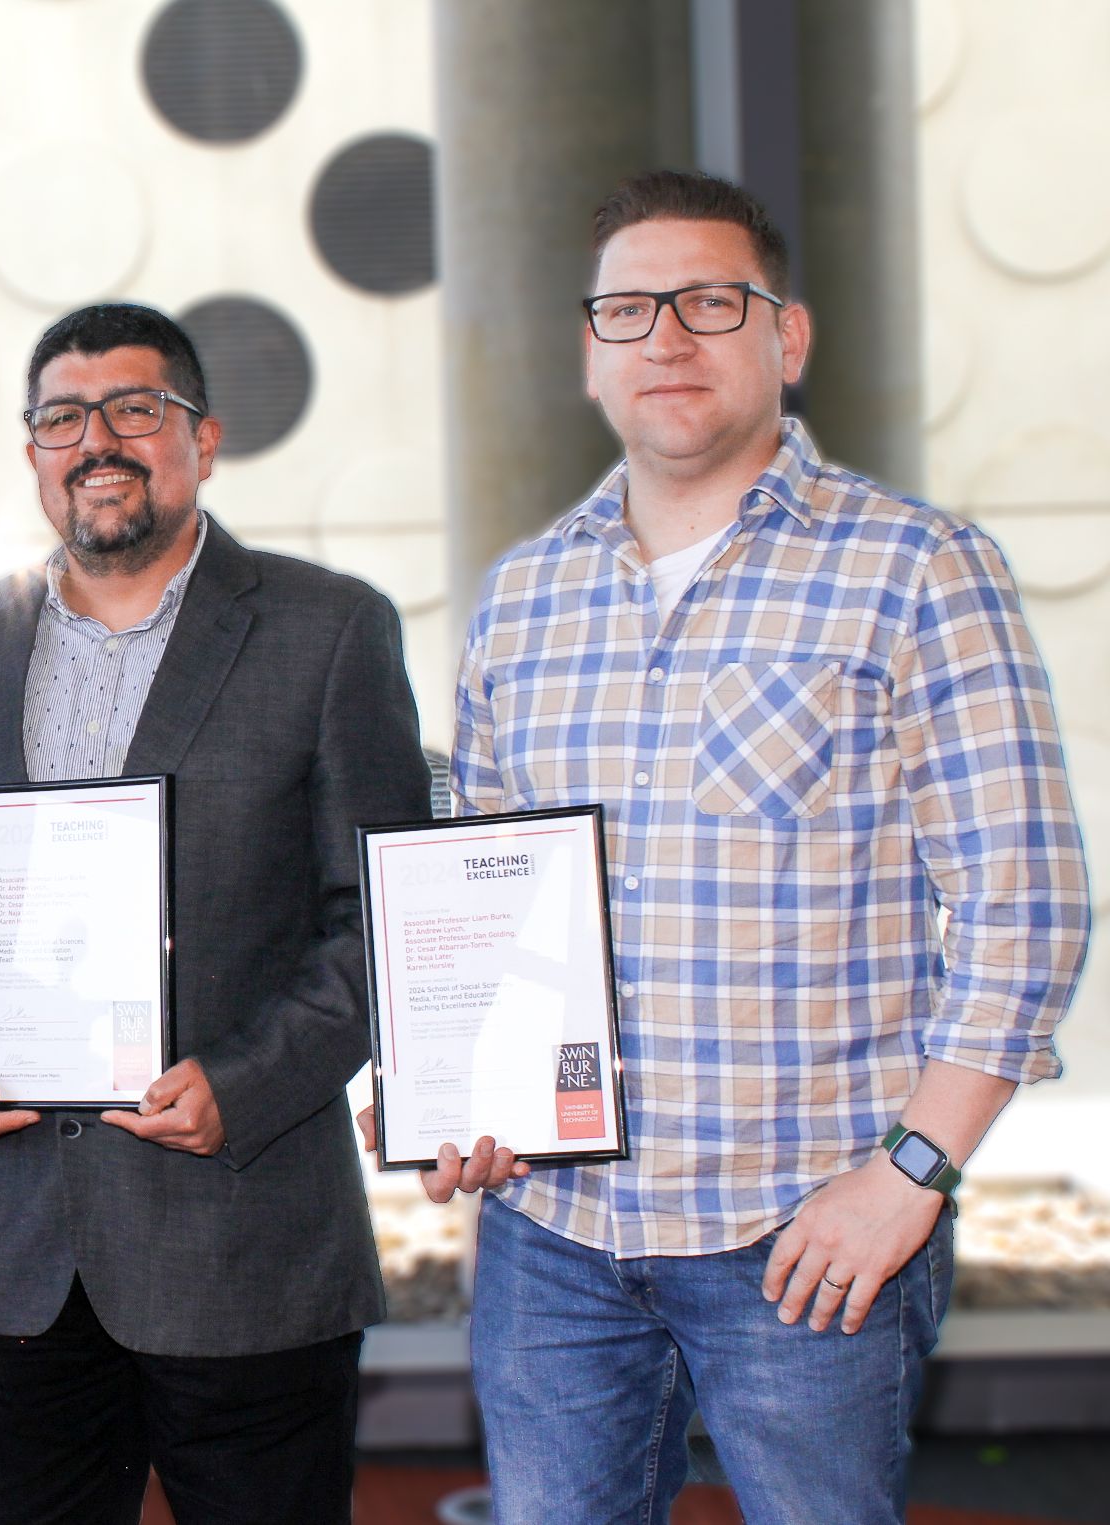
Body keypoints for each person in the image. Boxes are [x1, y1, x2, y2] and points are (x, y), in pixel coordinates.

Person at [425, 169, 1091, 1524]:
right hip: (554, 1243)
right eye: (628, 308)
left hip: (802, 1239)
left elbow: (1028, 907)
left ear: (784, 341)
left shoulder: (918, 569)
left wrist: (910, 1174)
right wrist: (456, 1093)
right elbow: (478, 879)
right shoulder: (523, 596)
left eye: (709, 302)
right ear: (588, 355)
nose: (666, 335)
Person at [0, 303, 432, 1524]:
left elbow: (376, 918)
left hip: (244, 1244)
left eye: (135, 410)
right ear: (31, 452)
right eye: (63, 418)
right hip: (13, 1249)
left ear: (203, 437)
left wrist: (245, 1080)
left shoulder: (329, 630)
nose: (98, 442)